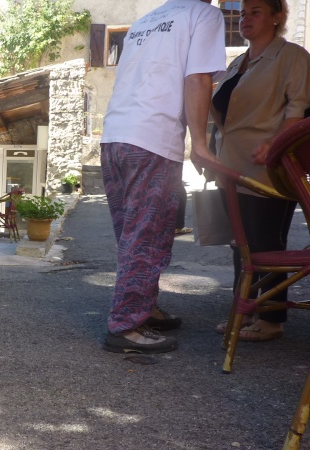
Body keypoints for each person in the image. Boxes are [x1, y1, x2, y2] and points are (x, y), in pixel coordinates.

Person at [100, 0, 226, 353]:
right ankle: (126, 326)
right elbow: (199, 78)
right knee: (145, 236)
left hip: (114, 137)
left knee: (134, 235)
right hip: (153, 139)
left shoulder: (144, 21)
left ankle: (144, 307)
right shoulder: (204, 14)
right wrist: (200, 142)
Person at [210, 0, 310, 342]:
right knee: (243, 245)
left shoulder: (292, 56)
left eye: (255, 12)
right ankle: (247, 311)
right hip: (231, 167)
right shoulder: (239, 62)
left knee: (266, 242)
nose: (244, 19)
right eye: (243, 12)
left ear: (277, 17)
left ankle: (270, 320)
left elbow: (299, 106)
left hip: (268, 167)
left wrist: (277, 145)